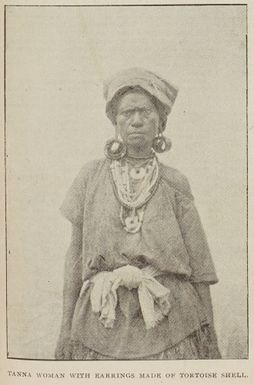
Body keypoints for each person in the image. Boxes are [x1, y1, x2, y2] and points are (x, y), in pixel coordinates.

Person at [55, 68, 221, 360]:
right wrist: (65, 328)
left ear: (161, 121)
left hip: (171, 321)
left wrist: (211, 345)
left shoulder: (175, 182)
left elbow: (200, 268)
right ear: (115, 122)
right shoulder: (90, 177)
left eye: (145, 112)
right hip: (99, 320)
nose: (135, 120)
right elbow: (75, 257)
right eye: (126, 113)